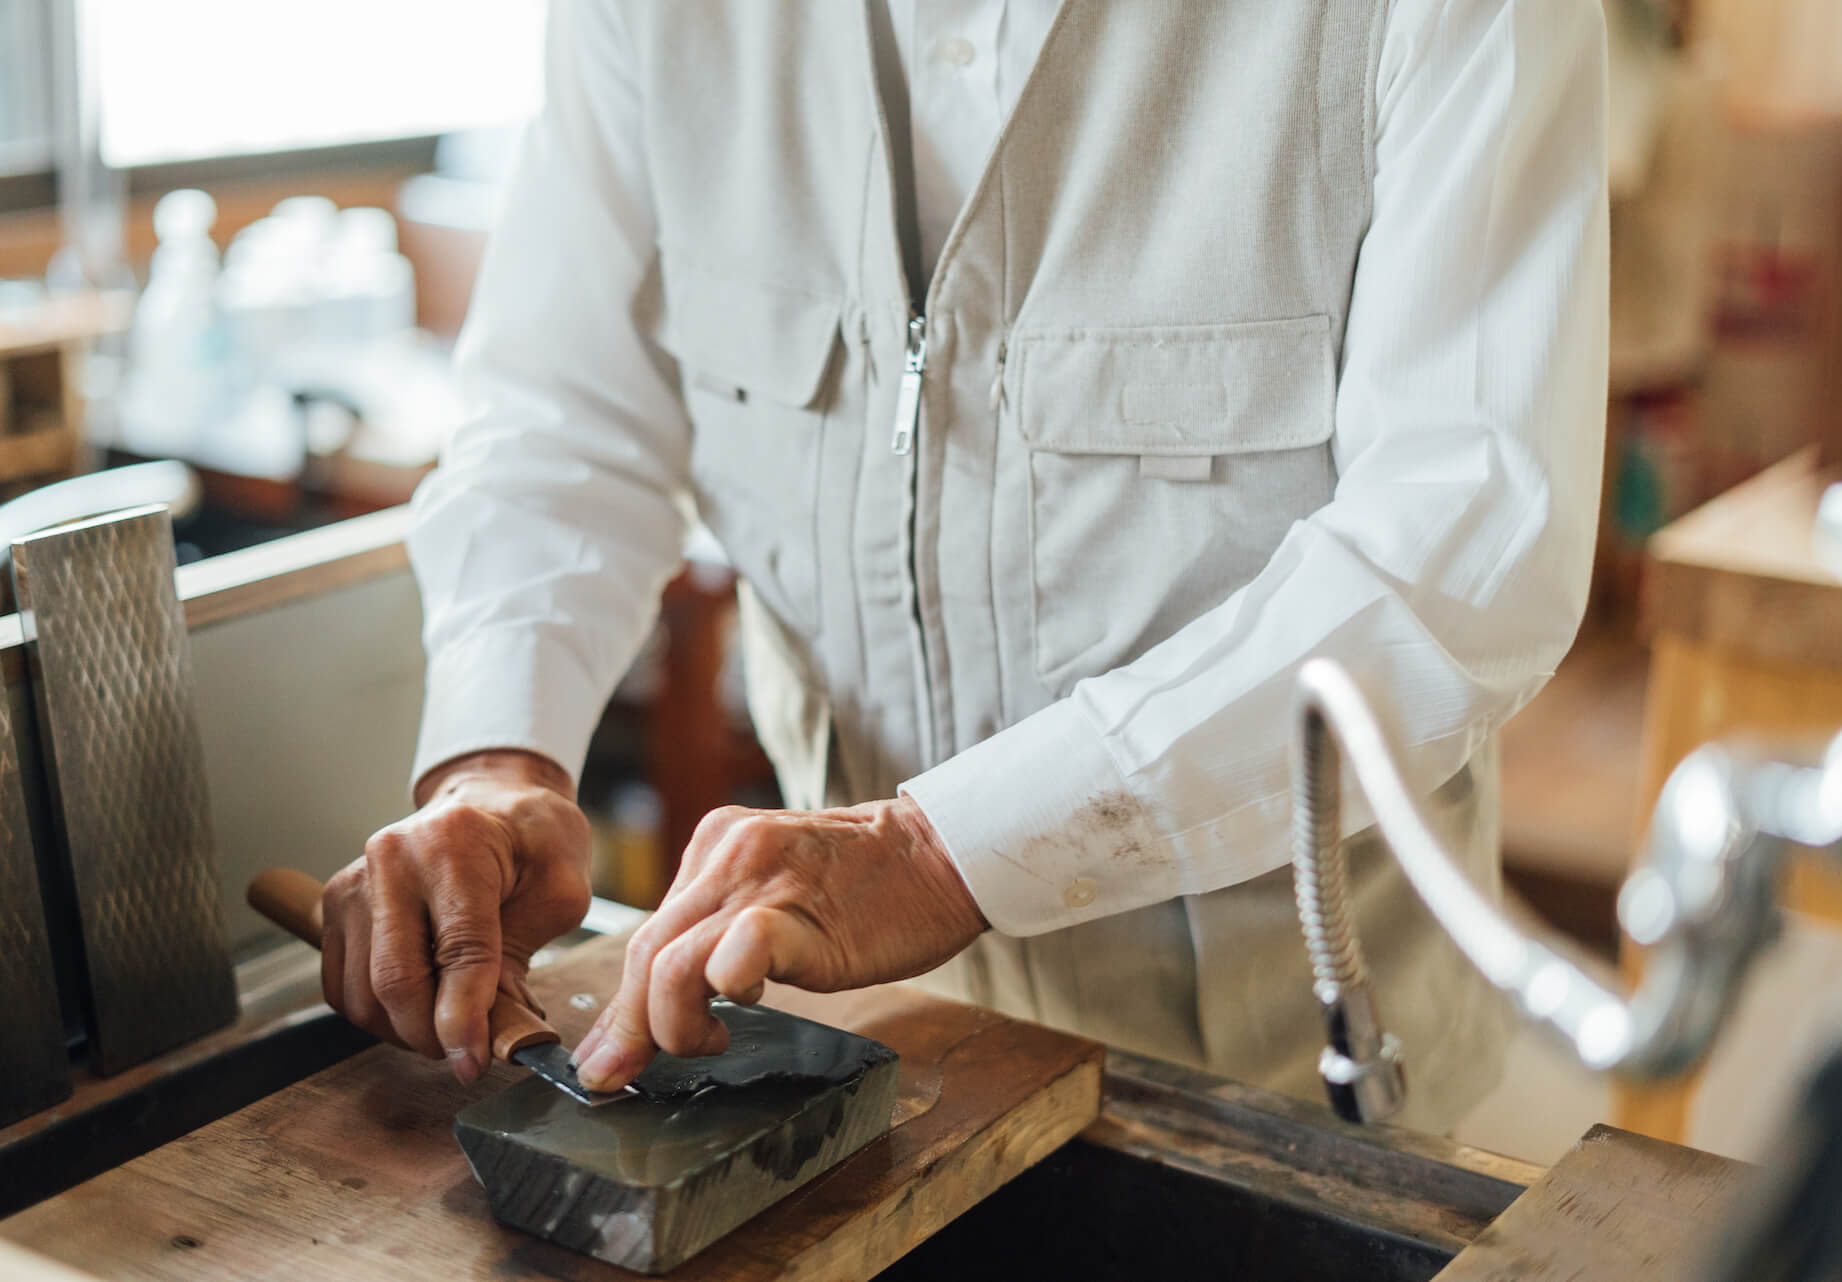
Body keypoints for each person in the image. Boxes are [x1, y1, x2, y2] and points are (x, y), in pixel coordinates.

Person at [321, 0, 1607, 1133]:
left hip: (1284, 1090)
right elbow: (564, 422)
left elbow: (1463, 548)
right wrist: (502, 755)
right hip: (865, 1067)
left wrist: (942, 854)